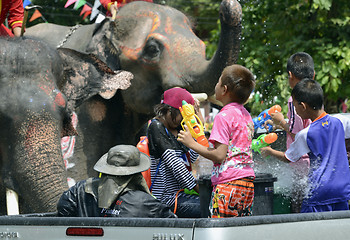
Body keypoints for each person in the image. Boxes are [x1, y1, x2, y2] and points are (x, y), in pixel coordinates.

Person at [178, 64, 256, 218]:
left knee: (220, 229)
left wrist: (191, 143)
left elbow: (219, 155)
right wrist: (199, 119)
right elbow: (222, 147)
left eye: (218, 82)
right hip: (246, 183)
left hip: (228, 184)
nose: (216, 85)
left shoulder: (223, 116)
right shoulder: (245, 115)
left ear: (224, 89)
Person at [261, 79, 350, 213]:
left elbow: (288, 157)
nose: (295, 111)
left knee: (309, 229)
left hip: (319, 191)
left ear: (303, 106)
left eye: (295, 107)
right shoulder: (340, 121)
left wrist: (270, 151)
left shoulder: (306, 134)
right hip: (342, 190)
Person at [57, 145, 176, 218]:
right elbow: (172, 222)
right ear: (136, 174)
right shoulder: (147, 203)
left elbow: (63, 209)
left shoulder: (80, 189)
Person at [268, 52, 315, 213]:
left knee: (298, 205)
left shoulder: (294, 99)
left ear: (290, 75)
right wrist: (281, 125)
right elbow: (302, 127)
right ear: (313, 74)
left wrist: (281, 121)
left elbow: (296, 134)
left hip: (299, 160)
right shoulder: (314, 96)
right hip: (312, 159)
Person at [147, 87, 201, 218]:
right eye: (183, 116)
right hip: (165, 199)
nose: (184, 120)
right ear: (170, 111)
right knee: (209, 207)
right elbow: (175, 165)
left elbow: (191, 157)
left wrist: (197, 127)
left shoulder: (177, 129)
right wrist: (198, 188)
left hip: (179, 194)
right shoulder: (156, 127)